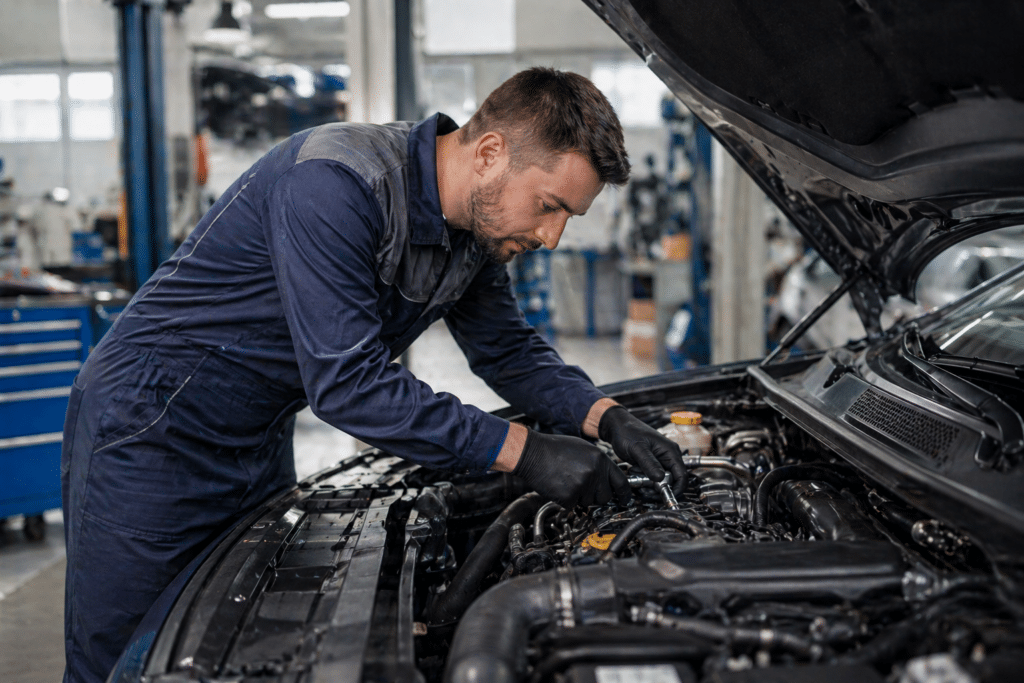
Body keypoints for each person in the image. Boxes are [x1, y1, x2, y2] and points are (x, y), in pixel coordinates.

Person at [60, 67, 687, 683]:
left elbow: (508, 351)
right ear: (491, 153)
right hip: (150, 427)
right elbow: (349, 386)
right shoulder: (335, 182)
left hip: (256, 433)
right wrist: (523, 451)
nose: (551, 236)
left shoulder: (474, 232)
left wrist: (607, 417)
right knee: (123, 658)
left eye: (567, 218)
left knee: (226, 645)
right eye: (549, 207)